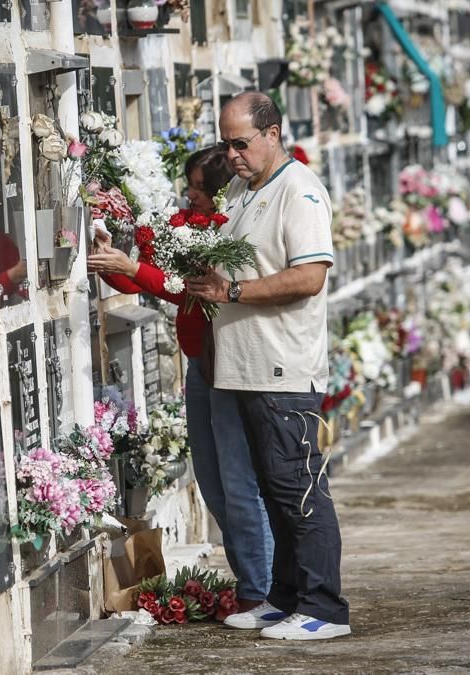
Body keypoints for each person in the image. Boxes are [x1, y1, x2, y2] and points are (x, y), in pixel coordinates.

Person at [186, 92, 351, 640]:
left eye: (241, 143)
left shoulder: (298, 191)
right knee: (271, 490)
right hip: (244, 367)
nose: (231, 155)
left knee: (299, 489)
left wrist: (233, 290)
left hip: (283, 367)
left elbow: (310, 276)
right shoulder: (241, 189)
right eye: (225, 144)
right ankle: (283, 599)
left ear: (273, 134)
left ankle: (324, 609)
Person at [87, 146, 273, 613]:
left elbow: (186, 290)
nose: (189, 196)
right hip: (201, 368)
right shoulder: (185, 228)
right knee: (212, 482)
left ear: (220, 193)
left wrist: (133, 268)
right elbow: (148, 282)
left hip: (230, 366)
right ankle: (253, 582)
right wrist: (113, 262)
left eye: (197, 190)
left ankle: (263, 589)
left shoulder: (226, 232)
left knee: (240, 484)